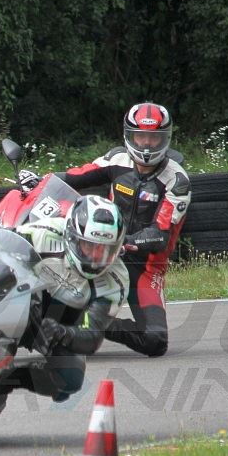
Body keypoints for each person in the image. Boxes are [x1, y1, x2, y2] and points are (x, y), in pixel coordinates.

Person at [0, 194, 128, 405]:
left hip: (53, 326)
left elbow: (93, 334)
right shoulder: (46, 233)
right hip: (21, 298)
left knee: (70, 379)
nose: (95, 258)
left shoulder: (116, 281)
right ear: (72, 236)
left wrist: (64, 333)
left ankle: (5, 382)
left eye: (105, 250)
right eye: (89, 246)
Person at [51, 102, 191, 357]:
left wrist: (122, 242)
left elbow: (160, 235)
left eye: (153, 137)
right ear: (129, 136)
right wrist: (40, 181)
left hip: (145, 265)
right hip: (101, 251)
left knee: (155, 340)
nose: (146, 144)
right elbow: (75, 176)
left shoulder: (177, 181)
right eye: (141, 136)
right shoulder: (117, 160)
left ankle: (98, 323)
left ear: (166, 139)